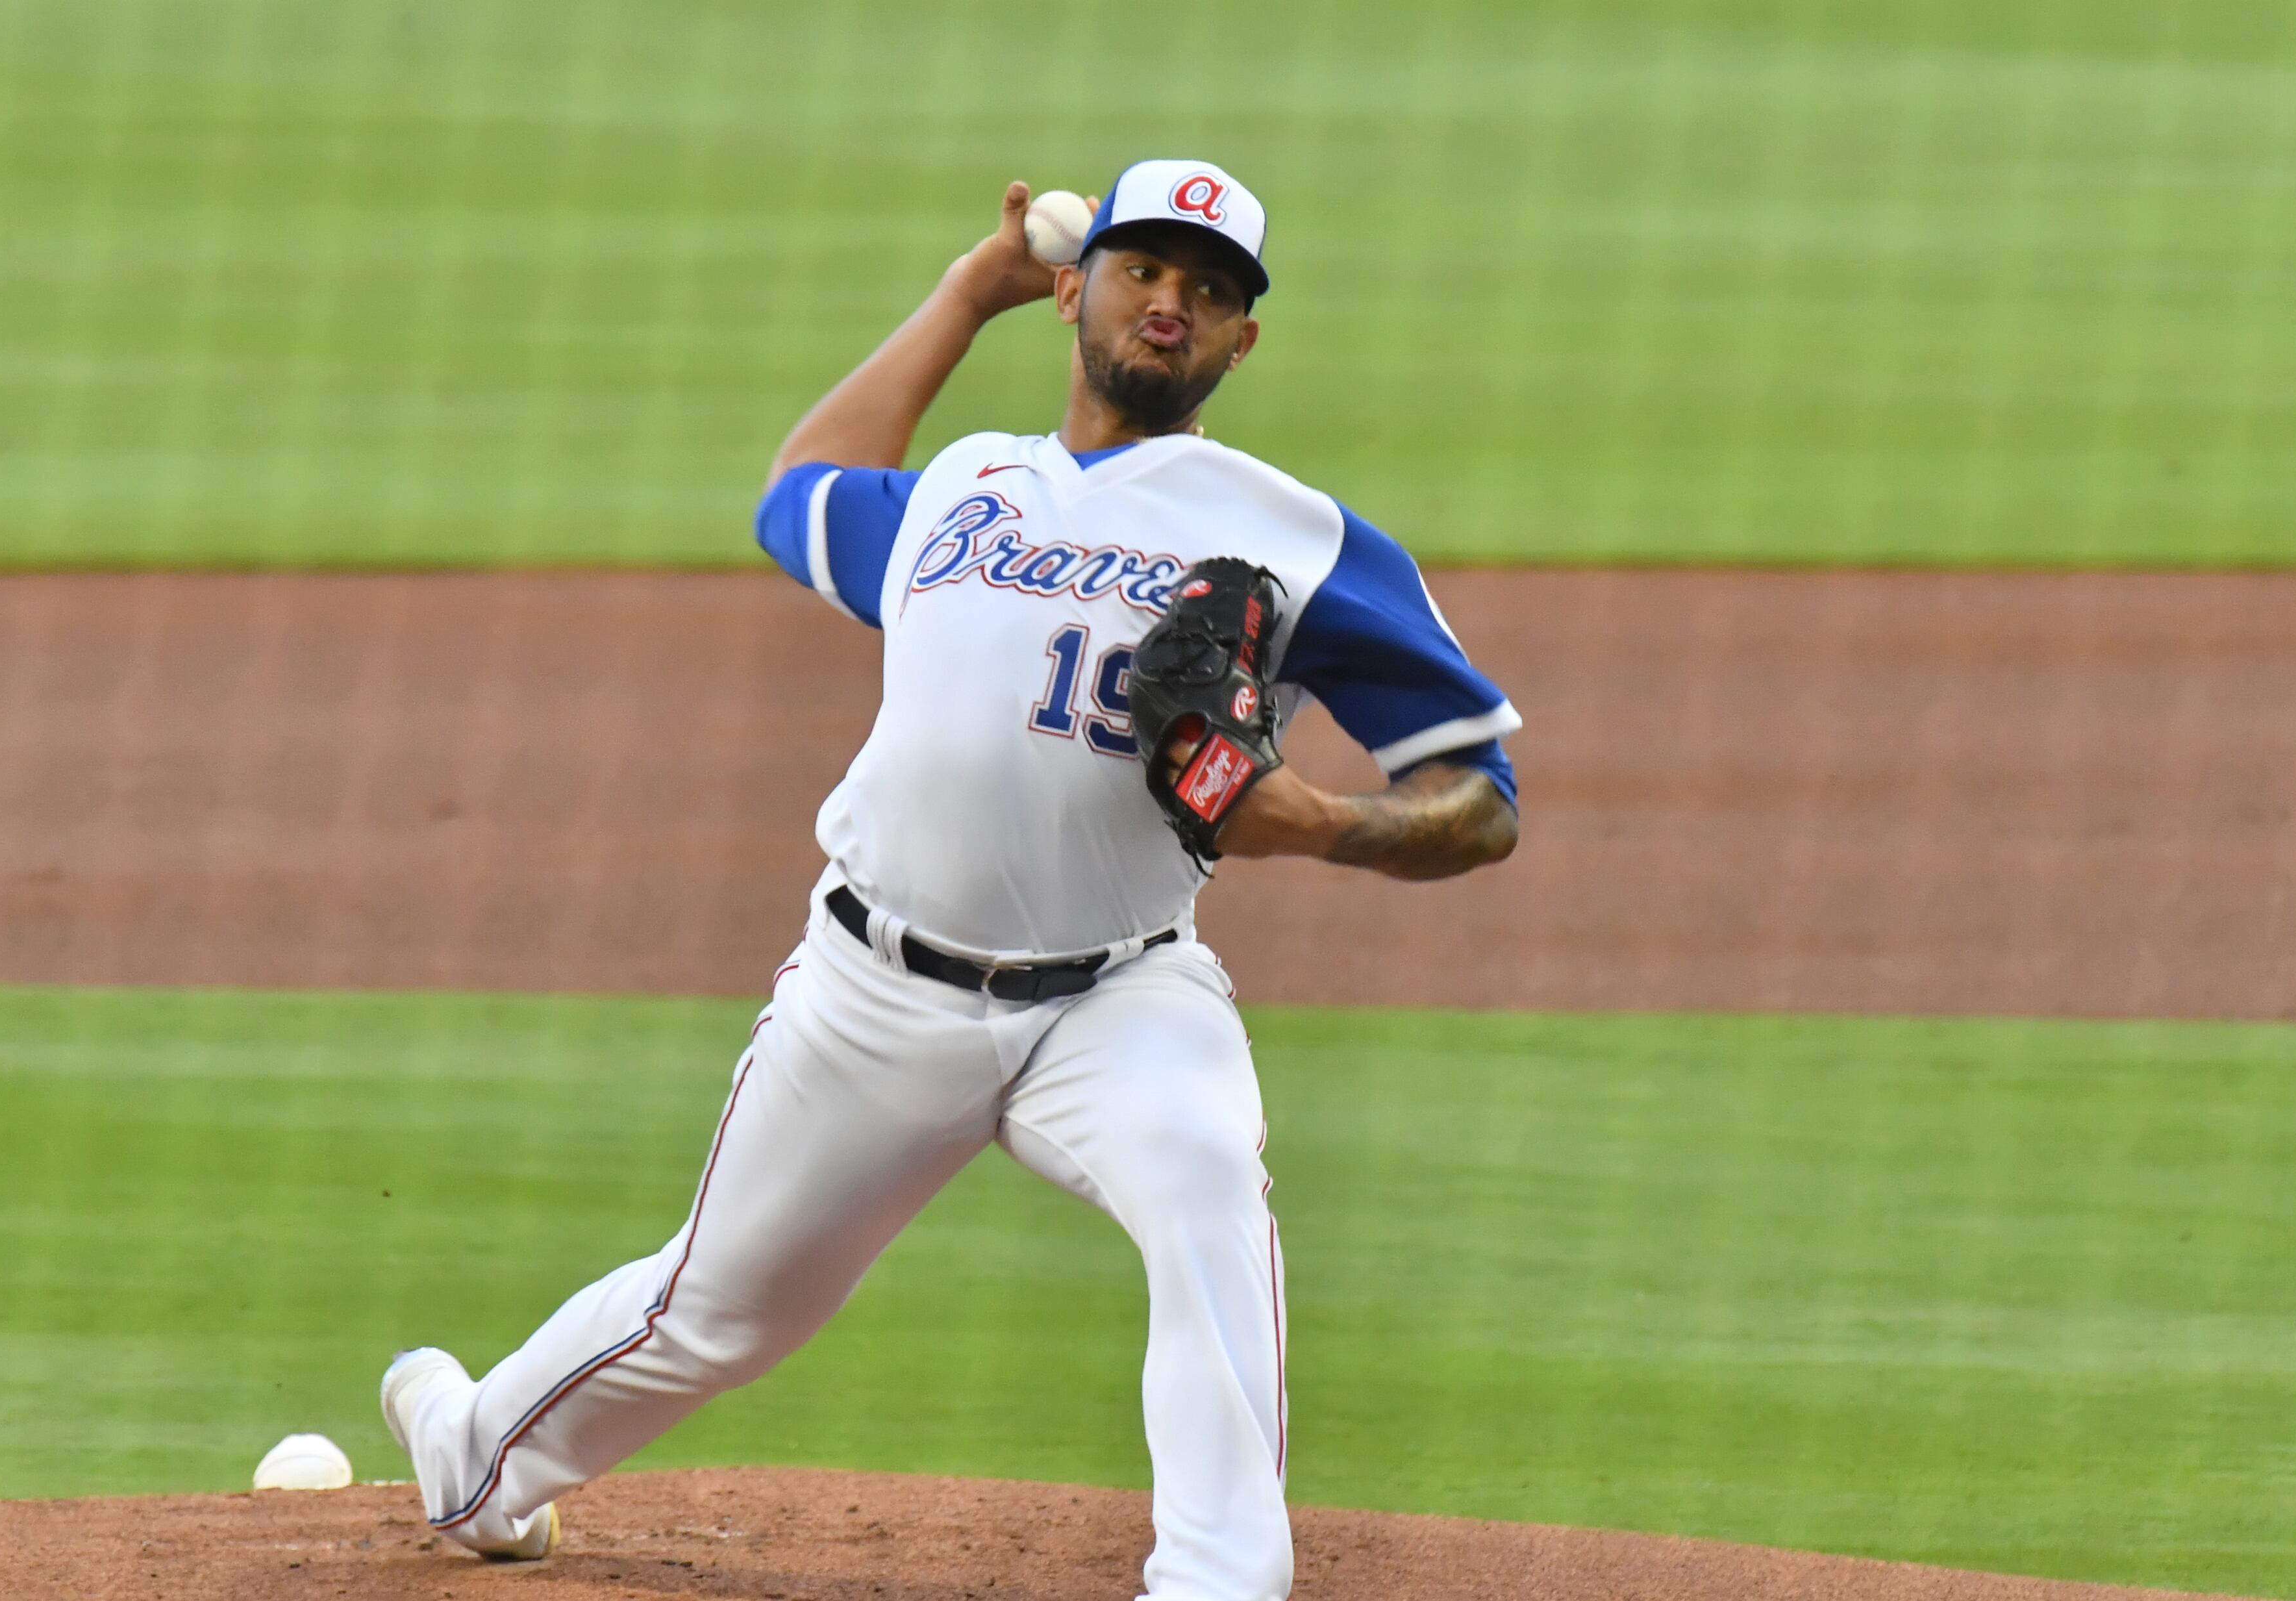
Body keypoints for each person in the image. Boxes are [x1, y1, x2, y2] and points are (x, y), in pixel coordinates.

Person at [380, 159, 1521, 1601]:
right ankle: (472, 1457)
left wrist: (1326, 823)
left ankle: (1219, 1582)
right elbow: (797, 493)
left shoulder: (1298, 537)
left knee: (1204, 1179)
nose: (1171, 304)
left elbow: (1481, 799)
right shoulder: (961, 491)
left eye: (1211, 291)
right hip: (873, 993)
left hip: (1121, 994)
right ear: (1076, 289)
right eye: (1143, 270)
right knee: (718, 1315)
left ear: (1241, 342)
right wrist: (959, 296)